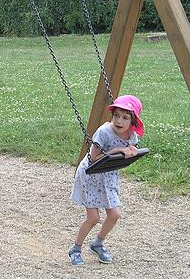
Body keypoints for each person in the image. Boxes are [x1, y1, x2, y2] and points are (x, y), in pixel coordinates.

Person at [68, 94, 144, 266]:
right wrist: (117, 150)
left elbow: (130, 152)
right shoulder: (104, 132)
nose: (119, 120)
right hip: (91, 175)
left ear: (132, 122)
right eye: (116, 115)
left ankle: (97, 243)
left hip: (109, 176)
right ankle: (76, 249)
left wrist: (132, 151)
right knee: (93, 217)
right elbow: (93, 158)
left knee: (115, 214)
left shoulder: (131, 135)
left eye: (125, 117)